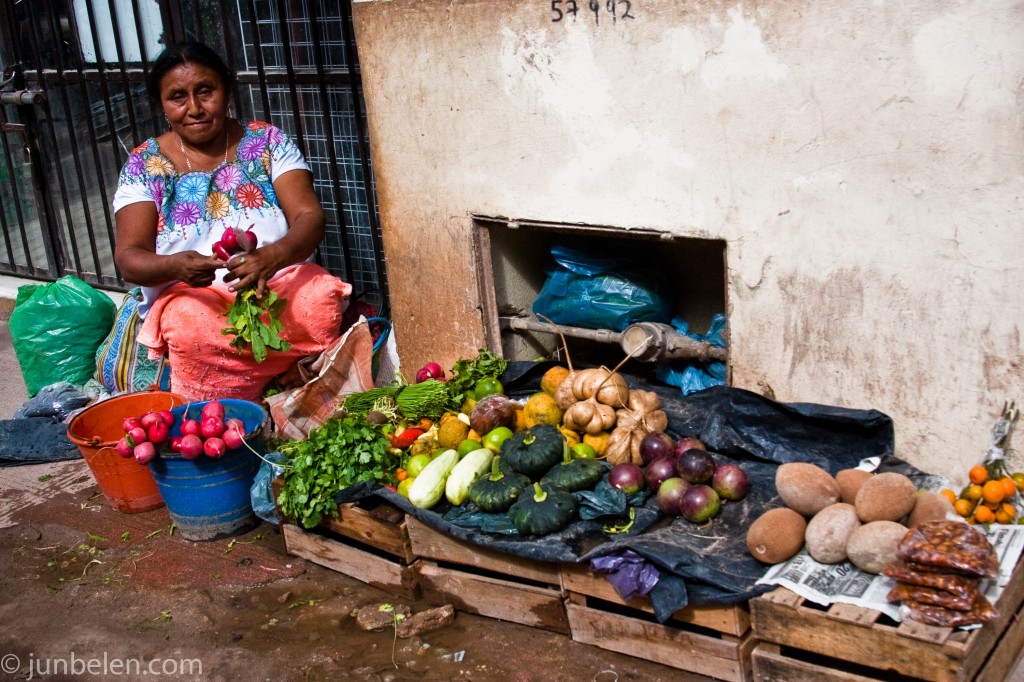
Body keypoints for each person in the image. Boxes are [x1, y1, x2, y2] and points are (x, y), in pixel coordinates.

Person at [113, 41, 351, 401]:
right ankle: (234, 400)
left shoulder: (268, 142)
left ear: (226, 89)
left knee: (319, 297)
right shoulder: (144, 164)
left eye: (205, 91)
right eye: (178, 97)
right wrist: (177, 266)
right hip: (197, 298)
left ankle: (281, 383)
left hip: (276, 286)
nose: (194, 108)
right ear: (161, 105)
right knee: (187, 323)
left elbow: (309, 216)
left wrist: (273, 258)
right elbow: (129, 256)